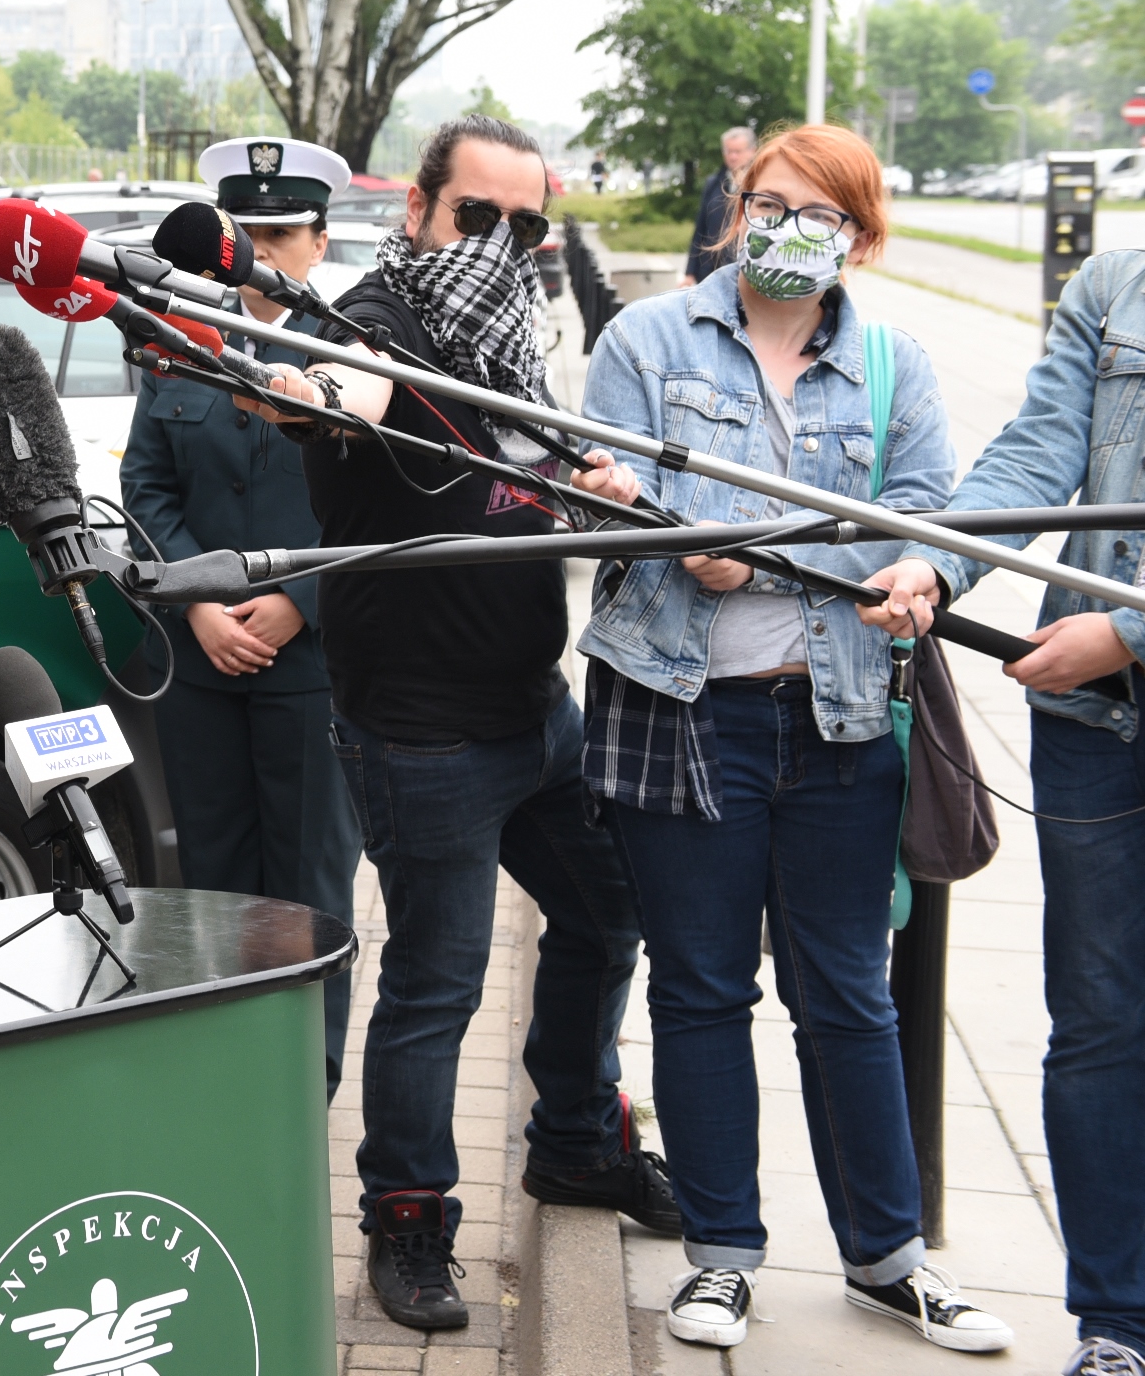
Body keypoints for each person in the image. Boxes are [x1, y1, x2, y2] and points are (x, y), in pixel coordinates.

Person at [581, 124, 1011, 1354]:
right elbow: (590, 493)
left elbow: (929, 514)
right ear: (731, 207)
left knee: (848, 998)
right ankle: (720, 1256)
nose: (782, 226)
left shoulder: (891, 365)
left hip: (836, 719)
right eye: (763, 201)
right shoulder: (645, 341)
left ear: (859, 237)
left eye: (814, 214)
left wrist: (917, 570)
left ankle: (886, 1258)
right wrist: (663, 537)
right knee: (702, 990)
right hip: (680, 713)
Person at [246, 114, 678, 1331]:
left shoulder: (510, 350)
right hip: (419, 738)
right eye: (474, 216)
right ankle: (406, 1218)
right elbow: (337, 388)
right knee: (436, 984)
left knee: (607, 914)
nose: (498, 244)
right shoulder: (375, 324)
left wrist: (591, 490)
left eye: (525, 224)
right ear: (419, 213)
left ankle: (576, 1138)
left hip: (535, 715)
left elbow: (527, 479)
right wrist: (300, 388)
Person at [862, 246, 1145, 1376]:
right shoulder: (1116, 279)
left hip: (1102, 655)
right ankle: (1117, 1324)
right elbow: (1035, 451)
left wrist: (1126, 630)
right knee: (1097, 1023)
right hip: (1094, 728)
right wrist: (936, 566)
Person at [119, 135, 361, 1097]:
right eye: (244, 231)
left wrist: (300, 604)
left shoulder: (354, 349)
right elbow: (146, 488)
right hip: (202, 658)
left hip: (313, 665)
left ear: (318, 240)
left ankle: (309, 1077)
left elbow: (375, 504)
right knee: (213, 879)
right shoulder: (181, 337)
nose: (261, 249)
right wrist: (207, 603)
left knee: (309, 878)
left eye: (280, 231)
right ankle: (221, 1074)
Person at [686, 126, 757, 283]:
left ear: (752, 151)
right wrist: (690, 272)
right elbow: (700, 229)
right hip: (710, 271)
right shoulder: (713, 183)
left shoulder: (760, 185)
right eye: (728, 151)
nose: (732, 157)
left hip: (743, 272)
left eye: (737, 151)